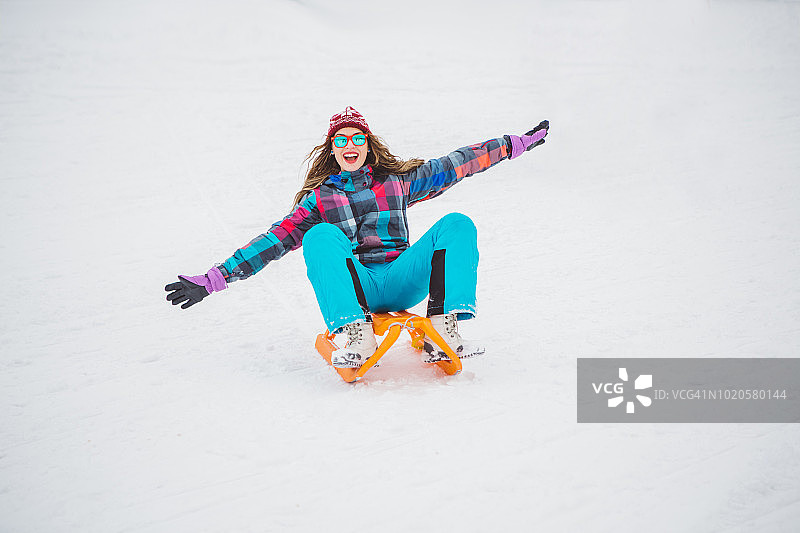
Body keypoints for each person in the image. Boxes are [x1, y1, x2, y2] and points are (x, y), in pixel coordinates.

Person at [165, 106, 549, 368]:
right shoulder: (320, 200)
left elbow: (458, 163)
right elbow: (271, 242)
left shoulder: (398, 182)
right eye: (342, 140)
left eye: (357, 139)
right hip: (359, 287)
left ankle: (442, 327)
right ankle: (355, 332)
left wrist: (514, 144)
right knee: (319, 236)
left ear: (368, 145)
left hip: (401, 278)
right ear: (333, 150)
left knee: (457, 223)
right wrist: (215, 279)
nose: (350, 146)